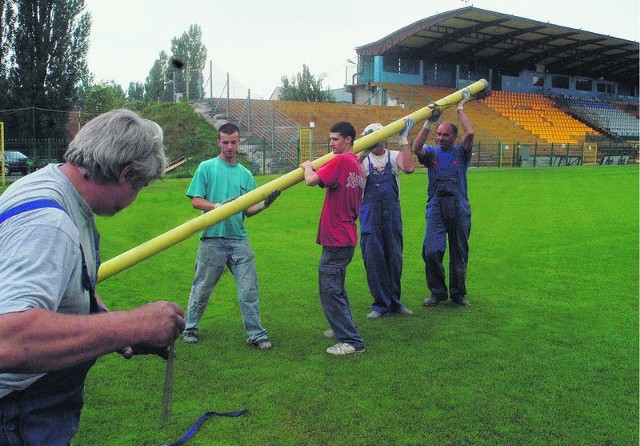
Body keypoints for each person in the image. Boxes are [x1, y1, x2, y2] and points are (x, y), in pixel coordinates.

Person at [0, 109, 185, 445]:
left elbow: (72, 284)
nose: (136, 196)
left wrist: (106, 324)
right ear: (125, 174)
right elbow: (8, 339)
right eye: (140, 186)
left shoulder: (55, 186)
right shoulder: (48, 223)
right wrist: (132, 325)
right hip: (16, 412)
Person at [182, 122, 280, 350]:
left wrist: (265, 204)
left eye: (233, 142)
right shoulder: (206, 168)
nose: (229, 146)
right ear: (218, 142)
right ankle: (190, 328)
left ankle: (256, 335)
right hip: (212, 239)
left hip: (238, 239)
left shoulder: (245, 175)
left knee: (249, 289)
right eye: (225, 142)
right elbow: (196, 201)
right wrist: (217, 207)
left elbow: (248, 210)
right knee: (202, 287)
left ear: (238, 142)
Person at [301, 121, 366, 356]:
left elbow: (311, 180)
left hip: (337, 237)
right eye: (330, 139)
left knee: (329, 289)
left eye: (335, 139)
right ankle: (341, 328)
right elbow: (331, 184)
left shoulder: (341, 160)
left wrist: (307, 166)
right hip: (345, 236)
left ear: (348, 140)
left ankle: (351, 341)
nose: (331, 144)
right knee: (336, 287)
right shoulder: (356, 165)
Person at [412, 88, 474, 307]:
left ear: (453, 137)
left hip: (458, 207)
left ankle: (458, 294)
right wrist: (429, 123)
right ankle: (437, 292)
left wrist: (460, 107)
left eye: (445, 135)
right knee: (431, 250)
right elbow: (415, 148)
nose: (440, 138)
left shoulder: (460, 153)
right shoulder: (431, 153)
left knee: (459, 252)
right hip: (437, 207)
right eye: (438, 134)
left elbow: (470, 134)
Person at [358, 119, 416, 319]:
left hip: (392, 215)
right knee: (374, 260)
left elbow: (408, 168)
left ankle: (395, 302)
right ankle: (380, 304)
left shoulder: (394, 156)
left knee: (394, 258)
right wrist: (364, 150)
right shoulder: (362, 160)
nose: (376, 142)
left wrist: (403, 138)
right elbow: (348, 169)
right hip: (369, 215)